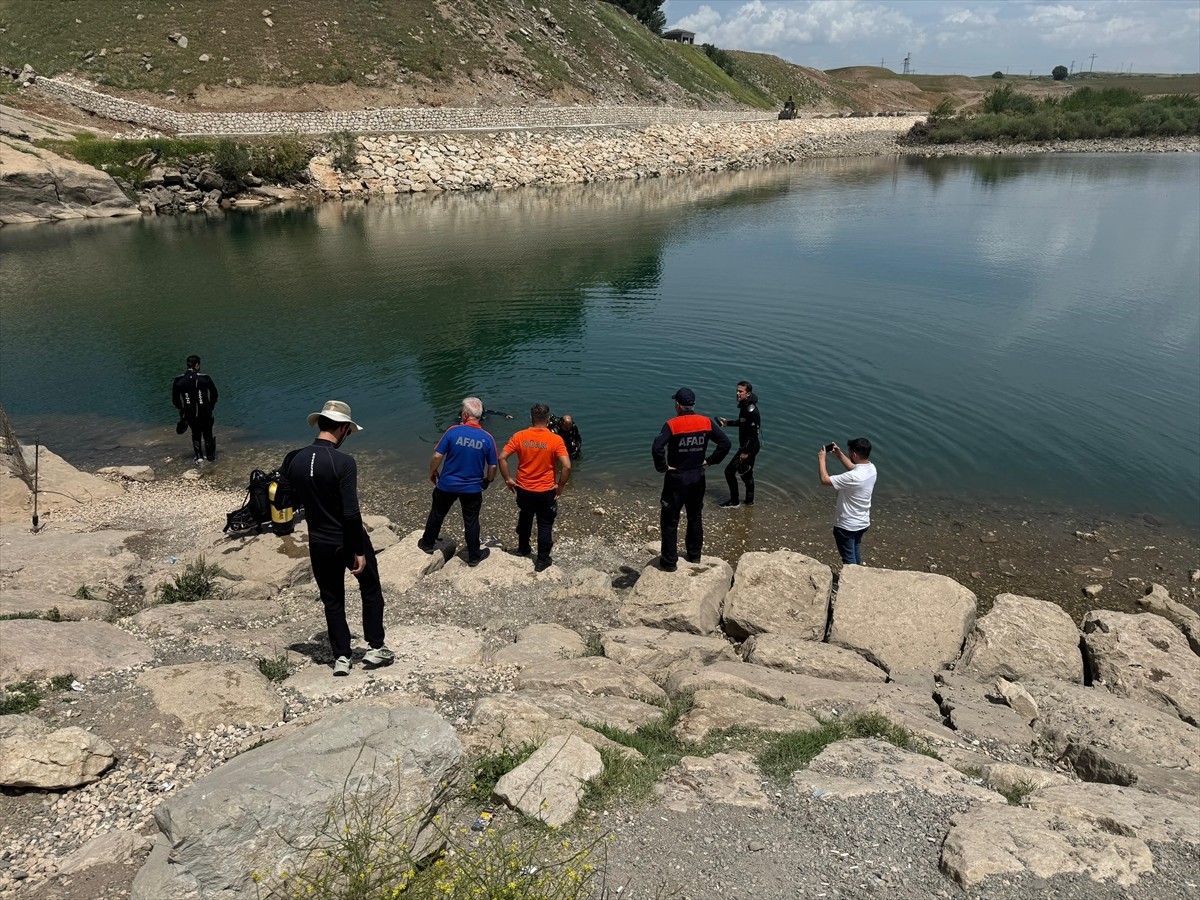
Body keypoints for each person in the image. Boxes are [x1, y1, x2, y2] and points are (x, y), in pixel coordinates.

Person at [283, 400, 393, 676]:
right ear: (343, 428)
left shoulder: (293, 458)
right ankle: (375, 649)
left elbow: (289, 499)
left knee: (332, 600)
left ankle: (341, 658)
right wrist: (358, 549)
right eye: (349, 432)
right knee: (370, 589)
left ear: (320, 423)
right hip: (346, 539)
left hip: (318, 542)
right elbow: (351, 512)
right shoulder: (343, 462)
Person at [651, 388, 730, 572]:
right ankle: (694, 556)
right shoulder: (706, 422)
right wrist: (709, 461)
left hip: (677, 477)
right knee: (695, 516)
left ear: (678, 405)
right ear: (693, 404)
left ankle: (670, 562)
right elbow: (725, 443)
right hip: (697, 476)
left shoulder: (672, 424)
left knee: (670, 520)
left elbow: (657, 448)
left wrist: (662, 467)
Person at [418, 397, 498, 566]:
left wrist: (432, 472)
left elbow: (437, 456)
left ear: (464, 414)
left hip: (447, 484)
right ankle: (474, 556)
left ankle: (426, 543)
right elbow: (492, 466)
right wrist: (488, 481)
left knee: (437, 513)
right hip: (472, 488)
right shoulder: (487, 438)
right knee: (471, 520)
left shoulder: (452, 432)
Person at [499, 403, 571, 572]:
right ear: (548, 420)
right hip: (545, 491)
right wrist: (560, 485)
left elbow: (502, 458)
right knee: (545, 524)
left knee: (525, 517)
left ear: (531, 419)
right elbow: (567, 466)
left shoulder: (520, 436)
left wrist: (508, 478)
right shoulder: (555, 439)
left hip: (524, 488)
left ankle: (523, 548)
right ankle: (542, 560)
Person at [819, 438, 877, 566]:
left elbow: (825, 480)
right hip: (862, 523)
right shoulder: (872, 468)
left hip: (846, 526)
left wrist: (822, 459)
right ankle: (859, 573)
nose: (849, 454)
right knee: (854, 548)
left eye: (849, 452)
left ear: (855, 454)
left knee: (848, 559)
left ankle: (853, 580)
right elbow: (854, 467)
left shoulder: (853, 477)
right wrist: (839, 455)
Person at [717, 381, 761, 507]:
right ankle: (749, 502)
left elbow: (753, 433)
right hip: (748, 446)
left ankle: (735, 501)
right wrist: (727, 423)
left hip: (750, 447)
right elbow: (743, 422)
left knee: (729, 472)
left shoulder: (751, 410)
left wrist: (745, 451)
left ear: (748, 394)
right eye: (737, 391)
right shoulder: (745, 406)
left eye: (740, 391)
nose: (737, 393)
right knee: (746, 474)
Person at [172, 355, 219, 463]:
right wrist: (211, 406)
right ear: (197, 365)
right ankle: (211, 458)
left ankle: (199, 458)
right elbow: (214, 394)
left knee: (196, 433)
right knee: (208, 434)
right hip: (205, 411)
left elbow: (175, 399)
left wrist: (181, 409)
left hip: (189, 412)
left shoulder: (179, 380)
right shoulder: (205, 378)